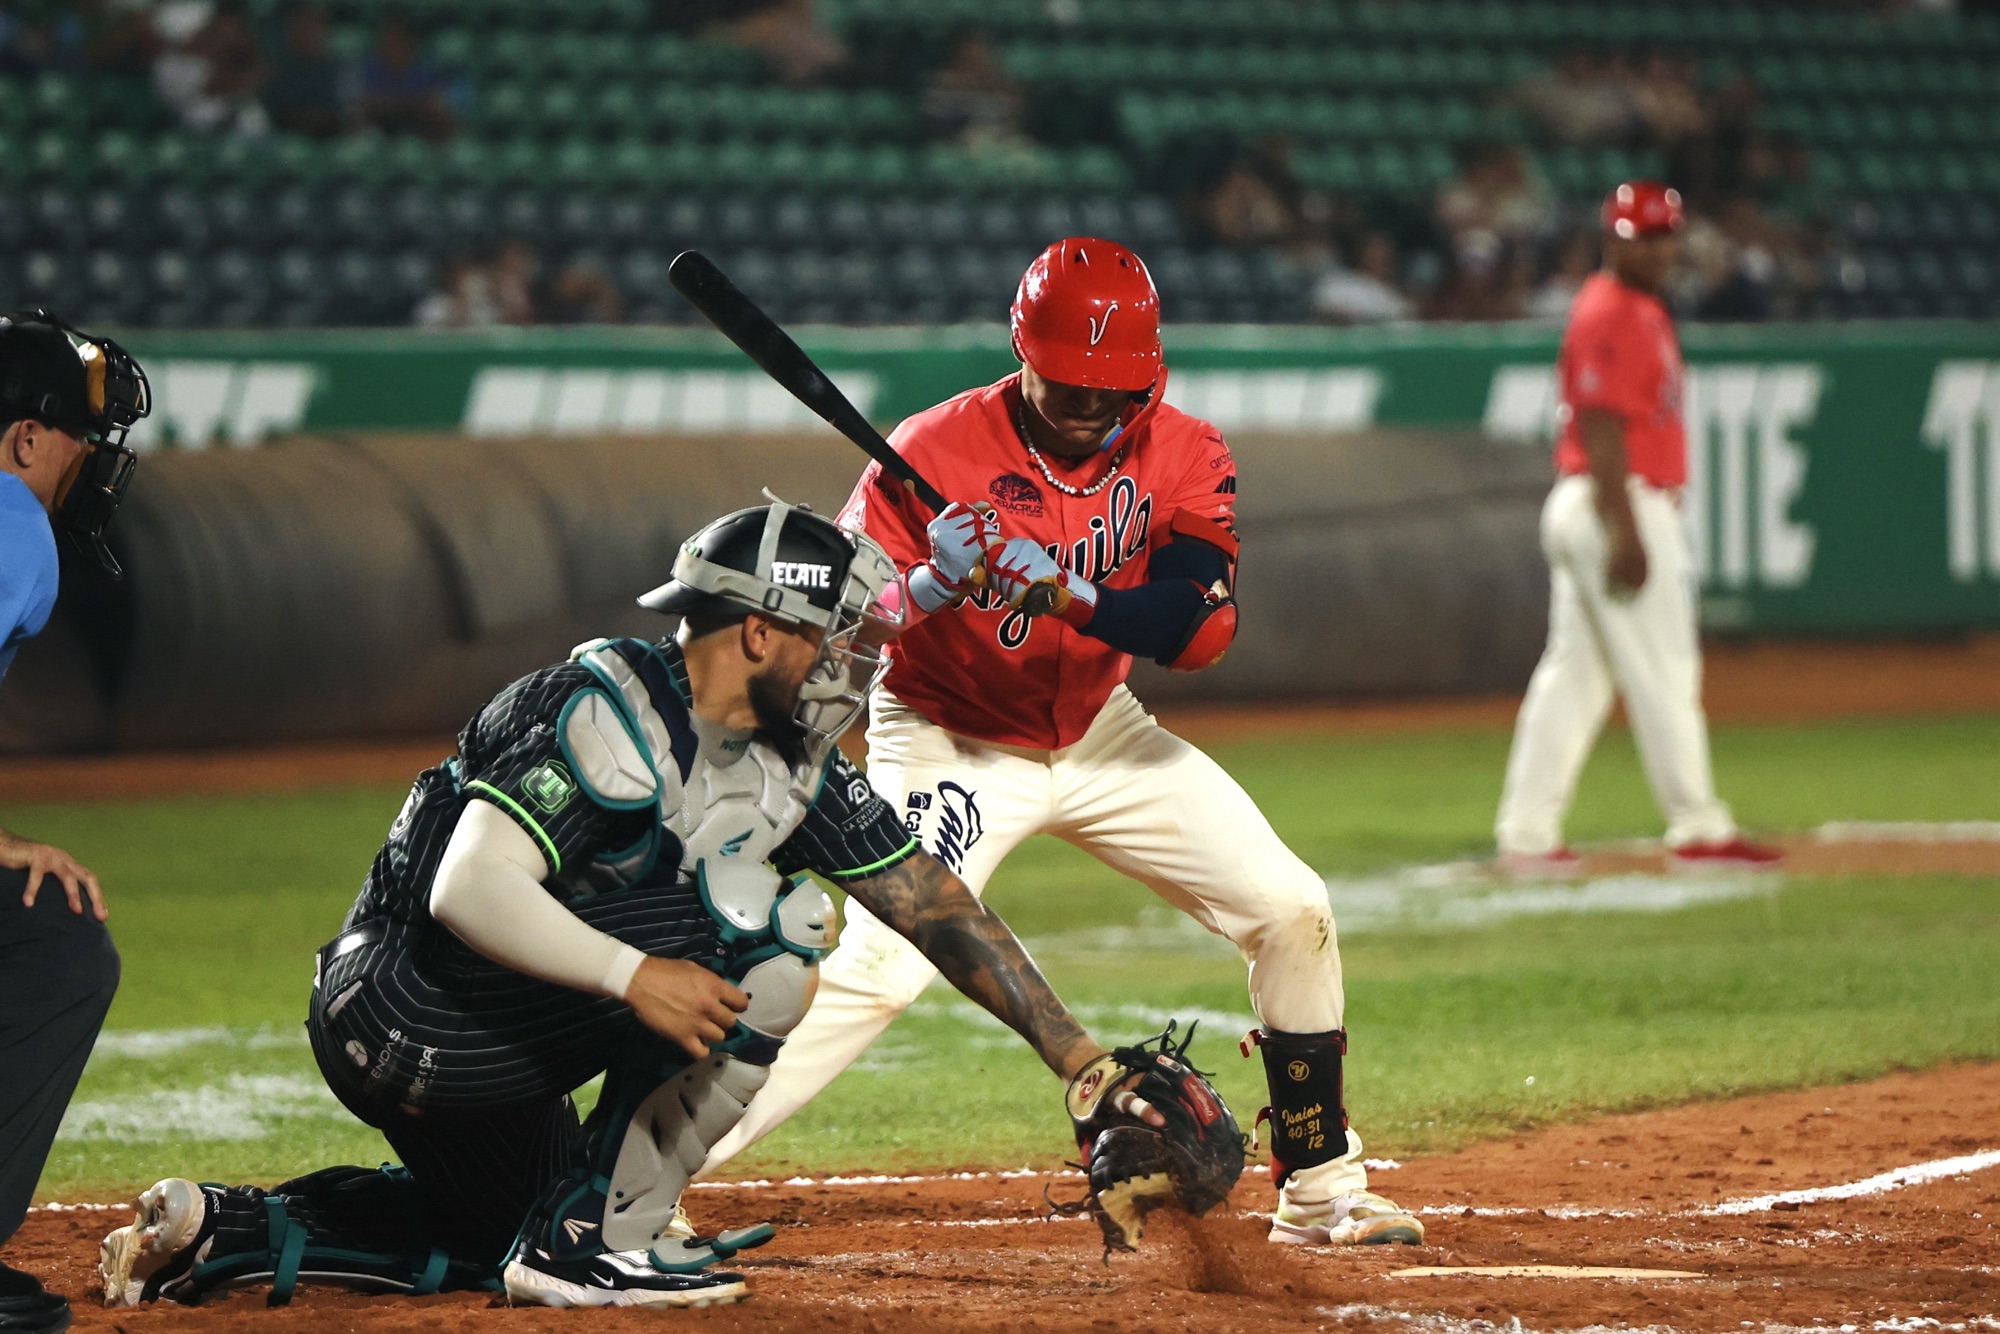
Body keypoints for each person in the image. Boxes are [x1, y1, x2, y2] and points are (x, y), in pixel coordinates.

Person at [99, 498, 1158, 1311]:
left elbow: (931, 905)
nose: (859, 658)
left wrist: (1083, 1062)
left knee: (490, 1243)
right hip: (405, 1006)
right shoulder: (607, 710)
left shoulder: (785, 754)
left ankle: (229, 1227)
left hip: (491, 1024)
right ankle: (601, 1241)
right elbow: (466, 882)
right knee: (772, 925)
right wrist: (632, 974)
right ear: (753, 632)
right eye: (832, 633)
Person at [697, 238, 1426, 1249]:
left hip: (1102, 733)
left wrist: (1071, 591)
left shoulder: (1181, 448)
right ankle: (638, 1177)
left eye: (1111, 388)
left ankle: (1320, 1188)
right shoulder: (931, 448)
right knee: (882, 963)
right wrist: (919, 589)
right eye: (1069, 384)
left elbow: (1198, 629)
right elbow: (828, 630)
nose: (1089, 405)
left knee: (1290, 904)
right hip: (946, 736)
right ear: (1021, 352)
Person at [1493, 184, 1781, 872]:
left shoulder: (1642, 308)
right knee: (1665, 669)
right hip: (1610, 502)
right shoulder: (1609, 310)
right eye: (1641, 235)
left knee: (1575, 678)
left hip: (1596, 503)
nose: (1656, 248)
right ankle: (1698, 826)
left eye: (1664, 235)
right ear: (1612, 239)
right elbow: (1599, 422)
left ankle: (1527, 833)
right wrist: (1625, 527)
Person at [0, 309, 151, 1334]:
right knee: (57, 943)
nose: (90, 465)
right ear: (24, 438)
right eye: (82, 441)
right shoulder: (10, 518)